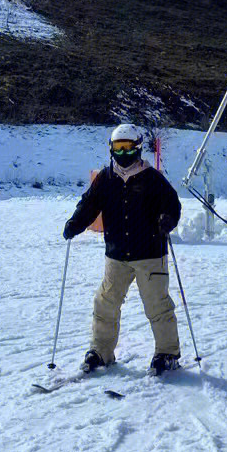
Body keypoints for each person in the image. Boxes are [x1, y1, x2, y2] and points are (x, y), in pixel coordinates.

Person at [63, 123, 183, 375]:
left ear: (138, 148)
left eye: (128, 148)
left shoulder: (152, 178)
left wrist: (167, 220)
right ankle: (101, 351)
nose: (124, 153)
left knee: (157, 305)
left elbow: (172, 204)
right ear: (111, 149)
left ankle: (167, 353)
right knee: (105, 303)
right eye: (119, 147)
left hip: (149, 253)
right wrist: (76, 223)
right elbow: (89, 204)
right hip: (116, 254)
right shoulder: (106, 178)